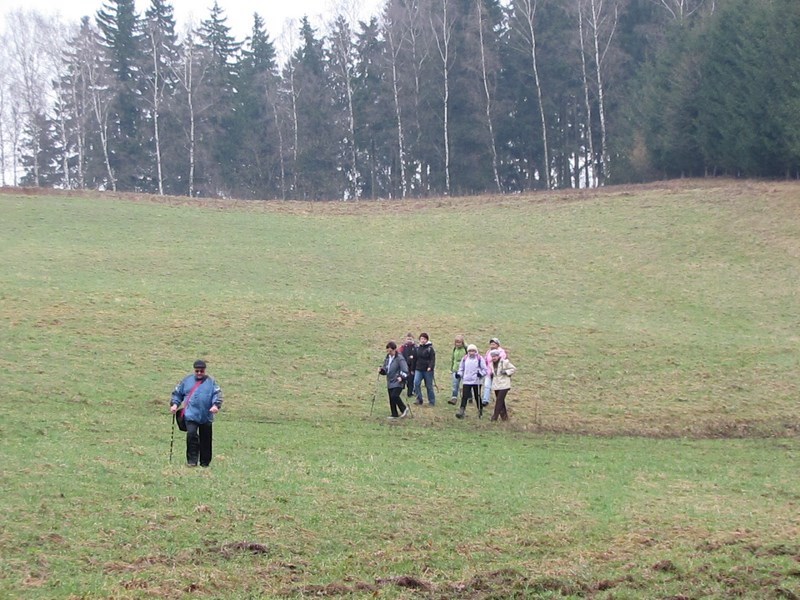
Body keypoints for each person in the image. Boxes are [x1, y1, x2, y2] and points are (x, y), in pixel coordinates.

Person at [170, 359, 223, 467]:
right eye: (197, 371)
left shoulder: (211, 382)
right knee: (191, 435)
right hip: (190, 415)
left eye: (201, 371)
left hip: (206, 416)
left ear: (205, 371)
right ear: (194, 370)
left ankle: (205, 463)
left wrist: (215, 405)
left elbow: (217, 395)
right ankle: (192, 461)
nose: (199, 373)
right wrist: (175, 404)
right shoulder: (186, 381)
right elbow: (177, 393)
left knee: (206, 440)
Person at [379, 341, 410, 419]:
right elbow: (386, 369)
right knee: (391, 397)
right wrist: (381, 370)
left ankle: (404, 409)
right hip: (390, 380)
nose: (389, 353)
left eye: (390, 351)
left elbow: (405, 370)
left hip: (398, 381)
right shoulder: (387, 358)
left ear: (394, 349)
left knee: (394, 396)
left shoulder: (400, 358)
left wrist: (401, 377)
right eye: (388, 351)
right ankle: (394, 414)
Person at [455, 344, 487, 419]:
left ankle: (480, 410)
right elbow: (461, 368)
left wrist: (481, 374)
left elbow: (485, 369)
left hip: (477, 381)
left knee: (477, 396)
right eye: (470, 351)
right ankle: (461, 411)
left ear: (476, 351)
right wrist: (459, 374)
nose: (471, 352)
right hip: (466, 380)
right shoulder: (465, 358)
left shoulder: (479, 358)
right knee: (464, 396)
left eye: (473, 351)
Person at [490, 350, 516, 421]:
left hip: (504, 385)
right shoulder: (491, 364)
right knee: (501, 402)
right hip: (496, 385)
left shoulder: (504, 362)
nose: (494, 358)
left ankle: (494, 417)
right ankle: (504, 418)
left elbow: (513, 369)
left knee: (499, 400)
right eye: (492, 356)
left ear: (498, 356)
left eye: (495, 356)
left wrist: (506, 372)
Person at [482, 338, 507, 407]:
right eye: (491, 344)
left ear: (497, 344)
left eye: (494, 344)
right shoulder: (488, 352)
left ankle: (500, 401)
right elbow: (486, 361)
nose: (492, 346)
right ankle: (485, 400)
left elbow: (501, 361)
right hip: (488, 372)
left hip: (497, 373)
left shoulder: (501, 352)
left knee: (498, 388)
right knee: (487, 386)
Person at [413, 332, 436, 406]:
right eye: (421, 339)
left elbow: (432, 359)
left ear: (427, 340)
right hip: (418, 369)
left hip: (427, 370)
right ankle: (419, 399)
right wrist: (412, 369)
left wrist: (430, 367)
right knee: (416, 383)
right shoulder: (417, 348)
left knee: (429, 386)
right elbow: (415, 359)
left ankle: (431, 401)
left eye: (424, 339)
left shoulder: (430, 349)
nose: (423, 340)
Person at [448, 335, 468, 405]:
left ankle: (468, 396)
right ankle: (454, 397)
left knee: (465, 384)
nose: (458, 344)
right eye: (456, 342)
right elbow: (453, 359)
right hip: (455, 369)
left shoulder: (466, 349)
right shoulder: (455, 349)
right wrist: (451, 368)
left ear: (462, 342)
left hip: (464, 370)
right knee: (455, 384)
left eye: (459, 342)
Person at [400, 332, 417, 398]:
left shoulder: (415, 347)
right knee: (403, 379)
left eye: (410, 339)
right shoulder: (403, 347)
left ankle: (410, 393)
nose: (409, 341)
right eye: (408, 339)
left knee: (411, 381)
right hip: (404, 366)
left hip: (412, 367)